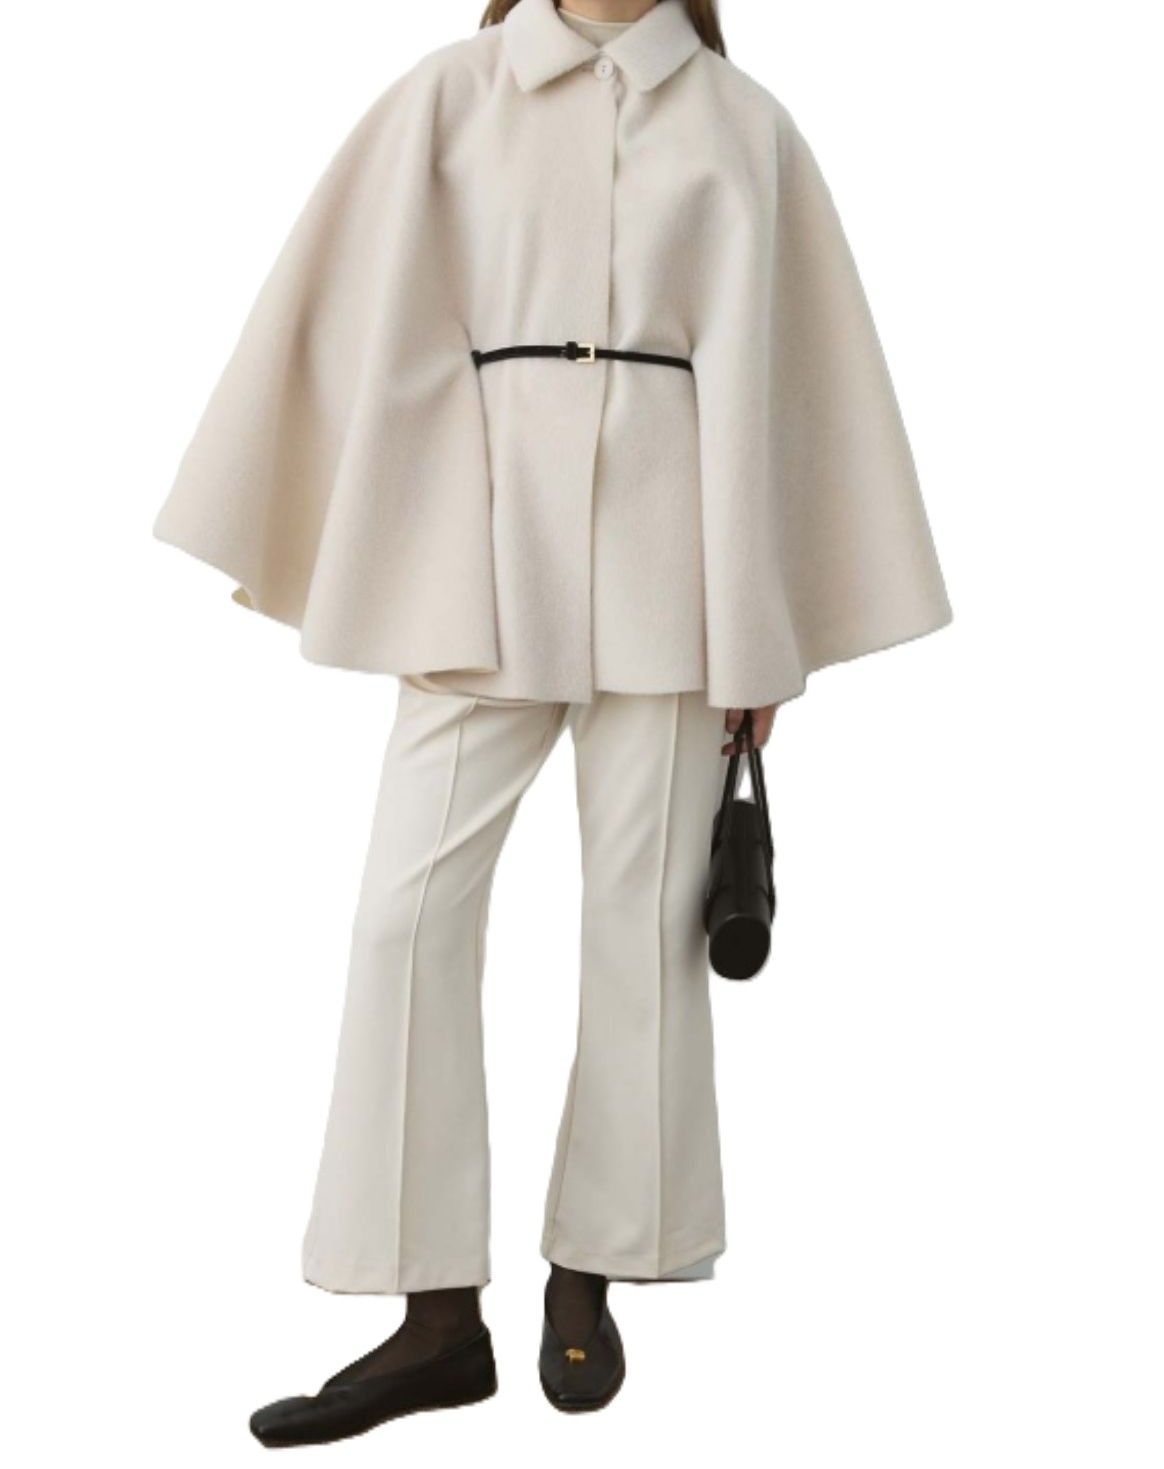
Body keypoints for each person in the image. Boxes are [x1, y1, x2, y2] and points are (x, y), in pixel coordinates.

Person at [153, 0, 952, 1442]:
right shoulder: (449, 97)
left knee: (643, 927)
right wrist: (392, 542)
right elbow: (358, 311)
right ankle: (434, 1316)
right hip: (480, 556)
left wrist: (758, 633)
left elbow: (783, 386)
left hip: (674, 569)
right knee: (402, 918)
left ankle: (594, 1267)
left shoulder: (743, 126)